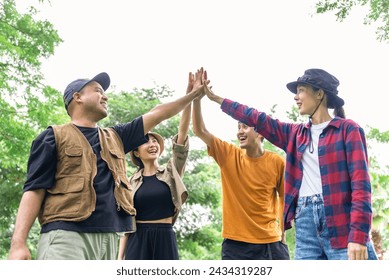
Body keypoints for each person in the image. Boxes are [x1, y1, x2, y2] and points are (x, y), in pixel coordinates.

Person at [8, 68, 206, 260]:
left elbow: (158, 113)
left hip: (109, 240)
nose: (105, 97)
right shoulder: (52, 137)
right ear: (78, 97)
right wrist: (18, 243)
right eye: (98, 91)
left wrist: (190, 96)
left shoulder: (117, 137)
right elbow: (34, 190)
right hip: (67, 235)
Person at [202, 68, 377, 260]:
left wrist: (358, 236)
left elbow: (361, 186)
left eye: (301, 90)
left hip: (340, 225)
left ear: (319, 94)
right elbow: (257, 118)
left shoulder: (347, 130)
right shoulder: (295, 134)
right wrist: (216, 98)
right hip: (306, 227)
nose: (296, 97)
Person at [192, 81, 289, 260]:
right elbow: (199, 130)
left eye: (245, 126)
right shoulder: (228, 155)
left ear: (260, 133)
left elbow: (284, 198)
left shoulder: (277, 162)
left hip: (271, 243)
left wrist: (283, 231)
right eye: (238, 127)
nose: (240, 132)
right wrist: (196, 99)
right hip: (235, 245)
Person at [117, 70, 199, 260]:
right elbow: (127, 223)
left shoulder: (171, 172)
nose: (152, 144)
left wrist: (189, 97)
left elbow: (182, 136)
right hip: (137, 240)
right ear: (136, 152)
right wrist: (120, 258)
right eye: (146, 141)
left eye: (155, 141)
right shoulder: (132, 181)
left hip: (165, 236)